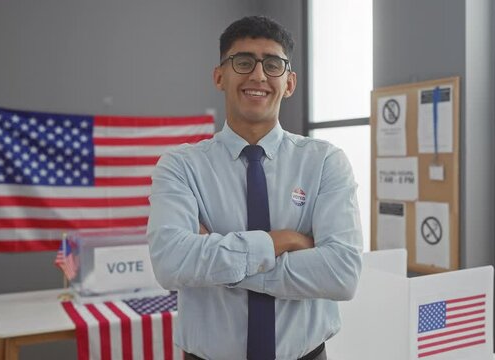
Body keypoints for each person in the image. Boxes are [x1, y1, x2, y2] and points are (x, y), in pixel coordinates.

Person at [147, 15, 363, 360]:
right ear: (220, 76)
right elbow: (171, 264)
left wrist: (219, 266)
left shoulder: (325, 162)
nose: (259, 75)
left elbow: (342, 274)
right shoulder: (180, 166)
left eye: (273, 64)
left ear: (289, 83)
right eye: (243, 62)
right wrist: (282, 241)